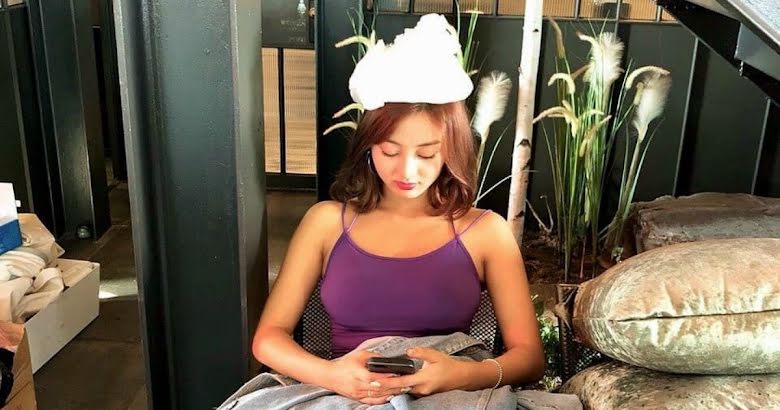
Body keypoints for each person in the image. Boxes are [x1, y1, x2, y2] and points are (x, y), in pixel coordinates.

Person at [251, 14, 545, 407]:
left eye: (426, 154)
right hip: (344, 394)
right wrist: (332, 375)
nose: (407, 171)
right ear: (368, 147)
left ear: (451, 151)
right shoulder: (326, 223)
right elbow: (268, 338)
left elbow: (530, 357)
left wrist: (460, 374)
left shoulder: (485, 232)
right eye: (390, 151)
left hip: (451, 396)